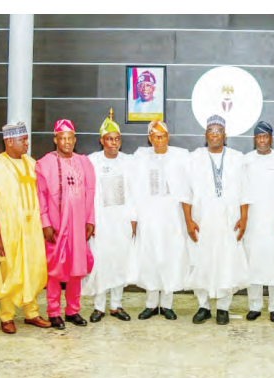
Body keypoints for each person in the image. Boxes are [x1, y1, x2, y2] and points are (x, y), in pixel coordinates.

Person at [0, 122, 51, 334]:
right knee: (8, 271)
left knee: (33, 269)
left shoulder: (31, 163)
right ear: (9, 141)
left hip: (32, 229)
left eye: (27, 139)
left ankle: (31, 313)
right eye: (23, 140)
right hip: (7, 229)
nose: (27, 144)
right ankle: (7, 316)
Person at [183, 115, 250, 325]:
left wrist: (244, 217)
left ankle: (223, 308)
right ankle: (203, 306)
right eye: (211, 131)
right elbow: (185, 192)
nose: (214, 135)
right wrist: (188, 221)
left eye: (218, 131)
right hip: (202, 221)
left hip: (229, 221)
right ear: (206, 135)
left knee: (226, 262)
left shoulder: (238, 158)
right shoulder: (194, 158)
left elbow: (245, 190)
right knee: (201, 262)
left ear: (225, 135)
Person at [37, 119, 95, 329]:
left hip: (78, 223)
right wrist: (45, 223)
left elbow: (90, 193)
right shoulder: (45, 164)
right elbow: (41, 196)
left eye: (70, 138)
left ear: (75, 140)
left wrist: (90, 220)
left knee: (76, 268)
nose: (67, 142)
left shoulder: (84, 162)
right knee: (55, 268)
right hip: (56, 224)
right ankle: (53, 312)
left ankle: (73, 310)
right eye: (62, 138)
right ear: (55, 140)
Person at [133, 120, 189, 321]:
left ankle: (166, 304)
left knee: (169, 258)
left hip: (171, 218)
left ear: (168, 137)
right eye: (156, 136)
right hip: (148, 216)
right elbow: (134, 189)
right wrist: (135, 217)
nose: (160, 140)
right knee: (150, 259)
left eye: (163, 136)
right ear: (150, 138)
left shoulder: (180, 157)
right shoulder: (140, 158)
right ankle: (150, 304)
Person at [82, 114, 136, 323]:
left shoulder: (128, 162)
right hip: (100, 220)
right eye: (109, 139)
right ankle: (98, 306)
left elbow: (133, 193)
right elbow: (88, 194)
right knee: (101, 262)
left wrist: (133, 219)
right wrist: (90, 220)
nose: (113, 143)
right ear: (102, 140)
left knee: (119, 261)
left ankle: (116, 305)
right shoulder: (92, 161)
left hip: (121, 219)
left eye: (117, 139)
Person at [242, 121, 274, 323]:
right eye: (259, 137)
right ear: (254, 139)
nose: (262, 141)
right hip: (253, 223)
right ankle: (255, 306)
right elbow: (241, 193)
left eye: (266, 137)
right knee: (253, 264)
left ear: (271, 138)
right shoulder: (246, 161)